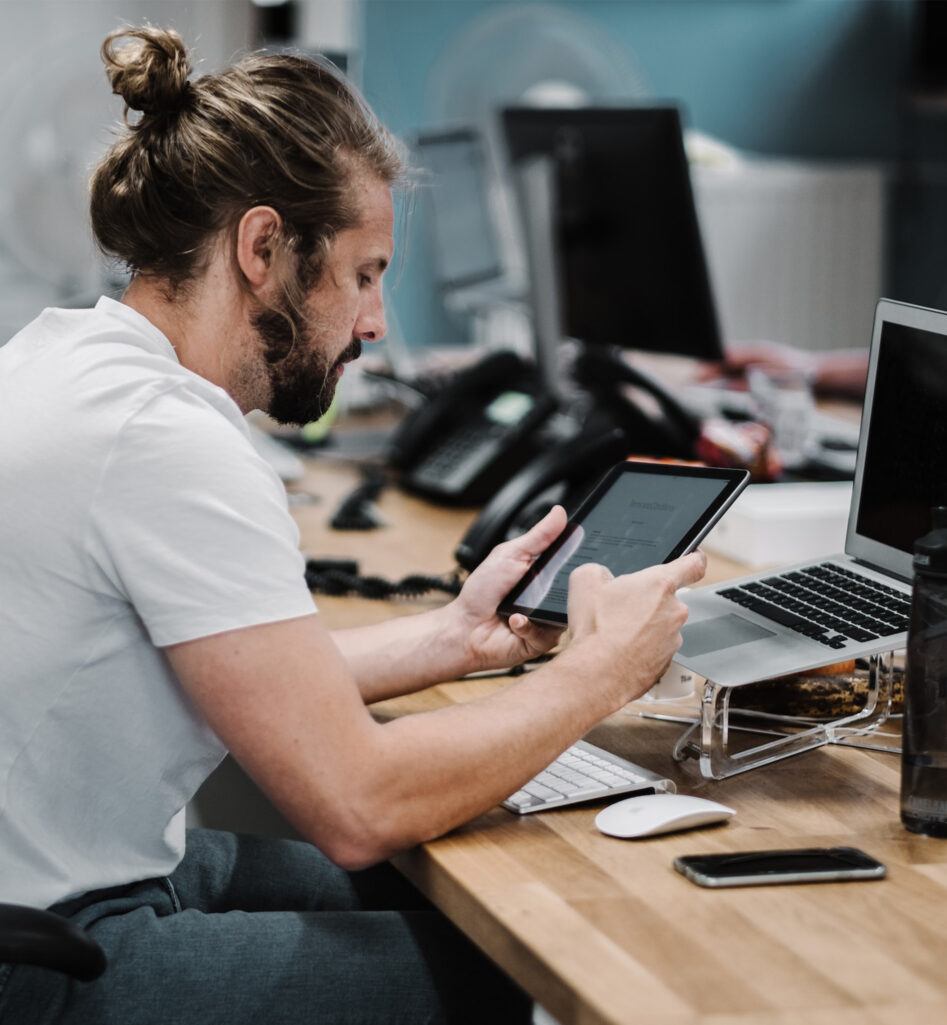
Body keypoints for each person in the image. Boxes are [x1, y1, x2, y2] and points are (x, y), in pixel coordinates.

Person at [0, 26, 706, 1025]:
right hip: (40, 952)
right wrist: (595, 674)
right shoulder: (168, 443)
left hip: (57, 878)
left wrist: (456, 637)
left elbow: (237, 670)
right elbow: (358, 803)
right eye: (364, 272)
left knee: (459, 905)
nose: (375, 323)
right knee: (523, 969)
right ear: (261, 248)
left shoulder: (70, 355)